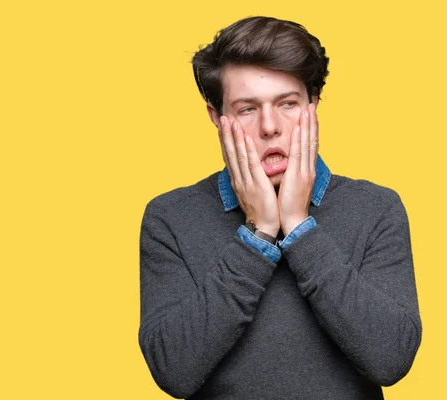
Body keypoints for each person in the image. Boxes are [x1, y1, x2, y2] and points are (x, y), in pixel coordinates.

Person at [138, 16, 421, 399]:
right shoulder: (170, 218)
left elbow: (391, 360)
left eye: (287, 103)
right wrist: (258, 235)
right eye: (247, 109)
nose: (269, 126)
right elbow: (174, 372)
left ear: (313, 105)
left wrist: (299, 227)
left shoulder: (376, 209)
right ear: (216, 118)